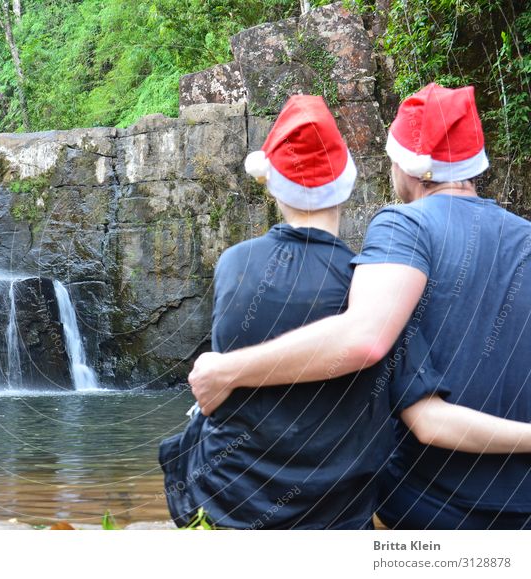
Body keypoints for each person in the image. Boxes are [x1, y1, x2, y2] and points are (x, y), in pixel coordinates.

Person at [187, 83, 531, 529]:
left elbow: (366, 341)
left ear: (412, 168)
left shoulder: (402, 226)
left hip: (423, 506)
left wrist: (226, 370)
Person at [160, 95, 445, 529]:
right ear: (347, 185)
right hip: (334, 514)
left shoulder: (233, 263)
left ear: (271, 185)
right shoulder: (369, 285)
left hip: (228, 502)